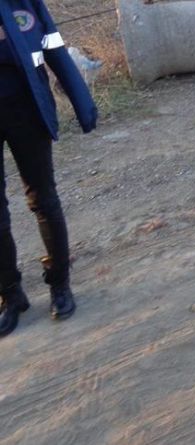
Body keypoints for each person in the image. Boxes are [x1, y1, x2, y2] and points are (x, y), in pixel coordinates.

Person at [0, 0, 98, 336]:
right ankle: (10, 295)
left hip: (27, 109)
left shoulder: (23, 3)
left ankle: (60, 284)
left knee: (44, 199)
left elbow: (53, 47)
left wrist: (82, 101)